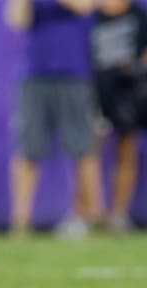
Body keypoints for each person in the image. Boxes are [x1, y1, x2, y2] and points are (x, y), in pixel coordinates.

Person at [4, 0, 104, 237]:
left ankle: (93, 214)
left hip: (75, 74)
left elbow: (84, 6)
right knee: (28, 148)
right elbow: (17, 20)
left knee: (83, 147)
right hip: (35, 76)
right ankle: (20, 221)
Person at [91, 0, 147, 232]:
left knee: (126, 149)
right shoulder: (91, 14)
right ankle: (88, 212)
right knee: (88, 151)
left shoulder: (137, 14)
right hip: (95, 89)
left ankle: (118, 214)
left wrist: (134, 67)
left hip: (128, 90)